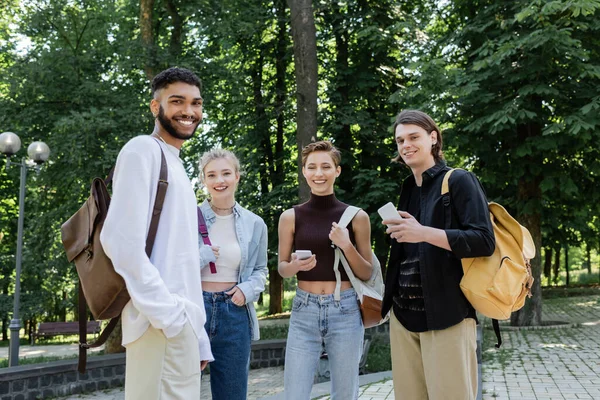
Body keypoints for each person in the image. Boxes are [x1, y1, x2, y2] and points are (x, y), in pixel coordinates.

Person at [100, 67, 213, 399]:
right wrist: (171, 318)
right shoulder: (142, 150)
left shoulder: (175, 162)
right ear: (155, 106)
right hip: (159, 322)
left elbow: (182, 260)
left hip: (177, 323)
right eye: (177, 101)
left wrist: (195, 333)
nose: (189, 111)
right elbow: (120, 242)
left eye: (196, 103)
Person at [380, 109, 495, 400]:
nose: (406, 145)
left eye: (413, 137)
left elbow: (483, 241)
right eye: (400, 139)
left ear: (433, 138)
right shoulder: (407, 188)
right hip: (403, 318)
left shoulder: (459, 180)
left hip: (448, 315)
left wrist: (423, 233)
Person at [278, 140, 373, 400]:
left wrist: (346, 245)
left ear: (337, 171)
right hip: (303, 310)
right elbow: (282, 269)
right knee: (294, 394)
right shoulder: (290, 217)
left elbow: (367, 273)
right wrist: (295, 266)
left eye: (325, 166)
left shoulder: (357, 217)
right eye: (312, 167)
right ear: (304, 172)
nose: (319, 173)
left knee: (344, 394)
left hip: (345, 310)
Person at [197, 148, 268, 400]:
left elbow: (261, 271)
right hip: (194, 311)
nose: (220, 181)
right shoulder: (186, 218)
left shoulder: (255, 223)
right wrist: (202, 256)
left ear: (237, 176)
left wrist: (247, 291)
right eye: (212, 175)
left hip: (235, 313)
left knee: (232, 395)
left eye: (226, 173)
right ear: (203, 180)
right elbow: (174, 268)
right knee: (183, 391)